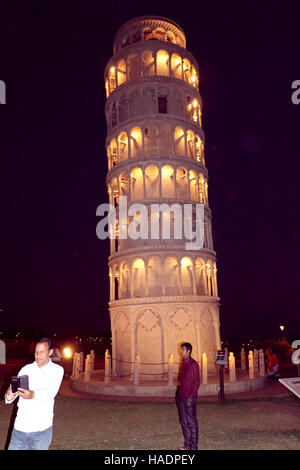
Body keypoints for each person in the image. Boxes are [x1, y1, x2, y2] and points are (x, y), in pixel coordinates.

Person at [5, 337, 64, 450]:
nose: (38, 355)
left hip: (41, 430)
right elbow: (15, 390)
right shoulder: (26, 369)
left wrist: (32, 395)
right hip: (20, 428)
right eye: (36, 352)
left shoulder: (57, 370)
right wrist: (9, 395)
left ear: (50, 352)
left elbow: (50, 392)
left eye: (42, 352)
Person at [176, 342, 200, 451]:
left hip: (189, 398)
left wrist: (191, 396)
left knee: (191, 422)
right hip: (181, 397)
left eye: (183, 349)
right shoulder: (184, 363)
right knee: (184, 422)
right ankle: (187, 445)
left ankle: (193, 447)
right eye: (181, 349)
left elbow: (196, 382)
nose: (181, 351)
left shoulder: (193, 364)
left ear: (188, 351)